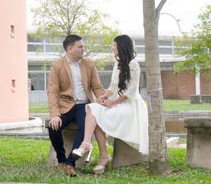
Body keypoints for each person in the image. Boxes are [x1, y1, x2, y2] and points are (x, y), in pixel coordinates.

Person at [72, 34, 149, 174]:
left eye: (114, 45)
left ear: (121, 46)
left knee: (97, 115)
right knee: (93, 108)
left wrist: (112, 103)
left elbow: (130, 91)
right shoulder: (117, 63)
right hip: (117, 101)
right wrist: (101, 97)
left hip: (131, 105)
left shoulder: (133, 64)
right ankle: (89, 145)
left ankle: (102, 156)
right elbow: (113, 88)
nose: (112, 48)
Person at [48, 34, 106, 176]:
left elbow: (97, 87)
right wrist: (55, 115)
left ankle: (70, 163)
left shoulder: (89, 64)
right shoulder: (57, 66)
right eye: (80, 47)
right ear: (70, 49)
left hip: (84, 106)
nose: (83, 49)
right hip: (65, 105)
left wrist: (102, 99)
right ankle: (61, 160)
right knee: (53, 127)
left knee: (85, 127)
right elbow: (52, 92)